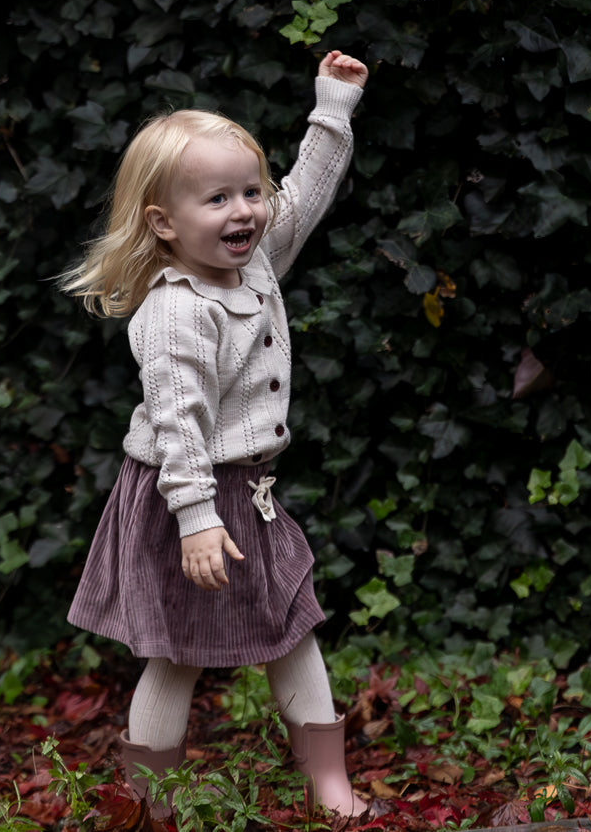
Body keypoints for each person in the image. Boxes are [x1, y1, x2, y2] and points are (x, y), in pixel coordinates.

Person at [61, 50, 369, 820]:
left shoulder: (253, 258)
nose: (245, 211)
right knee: (177, 655)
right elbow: (178, 425)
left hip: (250, 493)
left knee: (292, 628)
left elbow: (304, 194)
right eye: (216, 199)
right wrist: (196, 518)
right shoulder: (175, 313)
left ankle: (327, 780)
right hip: (186, 495)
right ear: (163, 222)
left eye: (248, 191)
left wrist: (333, 104)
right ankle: (147, 800)